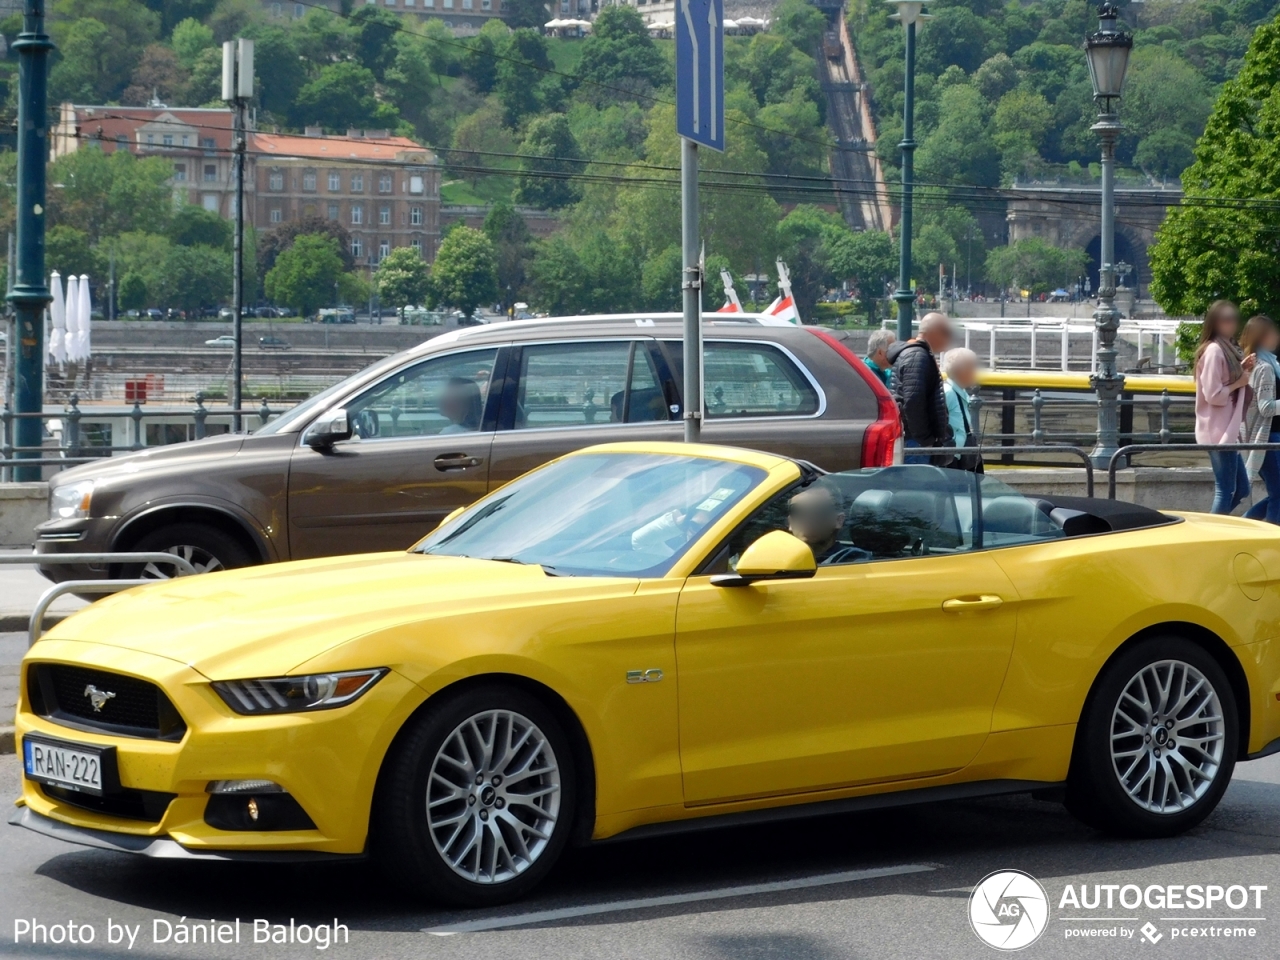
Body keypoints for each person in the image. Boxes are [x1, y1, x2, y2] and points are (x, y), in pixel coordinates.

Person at [1194, 300, 1255, 514]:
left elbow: (1221, 381)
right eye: (1225, 319)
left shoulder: (1225, 349)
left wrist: (1240, 368)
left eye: (1233, 319)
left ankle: (1216, 528)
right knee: (1227, 489)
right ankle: (1211, 534)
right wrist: (1240, 381)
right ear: (1215, 323)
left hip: (1226, 430)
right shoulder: (1214, 351)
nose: (1231, 324)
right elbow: (1213, 394)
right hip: (1218, 431)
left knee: (1240, 489)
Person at [888, 311, 954, 464]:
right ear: (935, 332)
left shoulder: (917, 355)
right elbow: (913, 401)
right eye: (946, 332)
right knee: (916, 485)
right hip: (914, 441)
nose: (949, 338)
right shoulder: (918, 356)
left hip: (913, 438)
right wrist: (925, 439)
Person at [1241, 314, 1280, 523]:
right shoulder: (1265, 368)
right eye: (1273, 333)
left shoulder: (1267, 363)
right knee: (1278, 494)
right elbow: (1266, 408)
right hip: (1269, 438)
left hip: (1271, 436)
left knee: (1277, 493)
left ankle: (1244, 526)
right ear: (1262, 337)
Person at [785, 480, 868, 565]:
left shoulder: (852, 559)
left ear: (839, 520)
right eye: (797, 510)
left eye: (819, 510)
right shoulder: (779, 559)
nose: (809, 517)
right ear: (790, 522)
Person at [941, 347, 983, 473]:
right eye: (973, 368)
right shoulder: (948, 393)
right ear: (962, 371)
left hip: (958, 457)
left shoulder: (961, 392)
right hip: (951, 460)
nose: (976, 372)